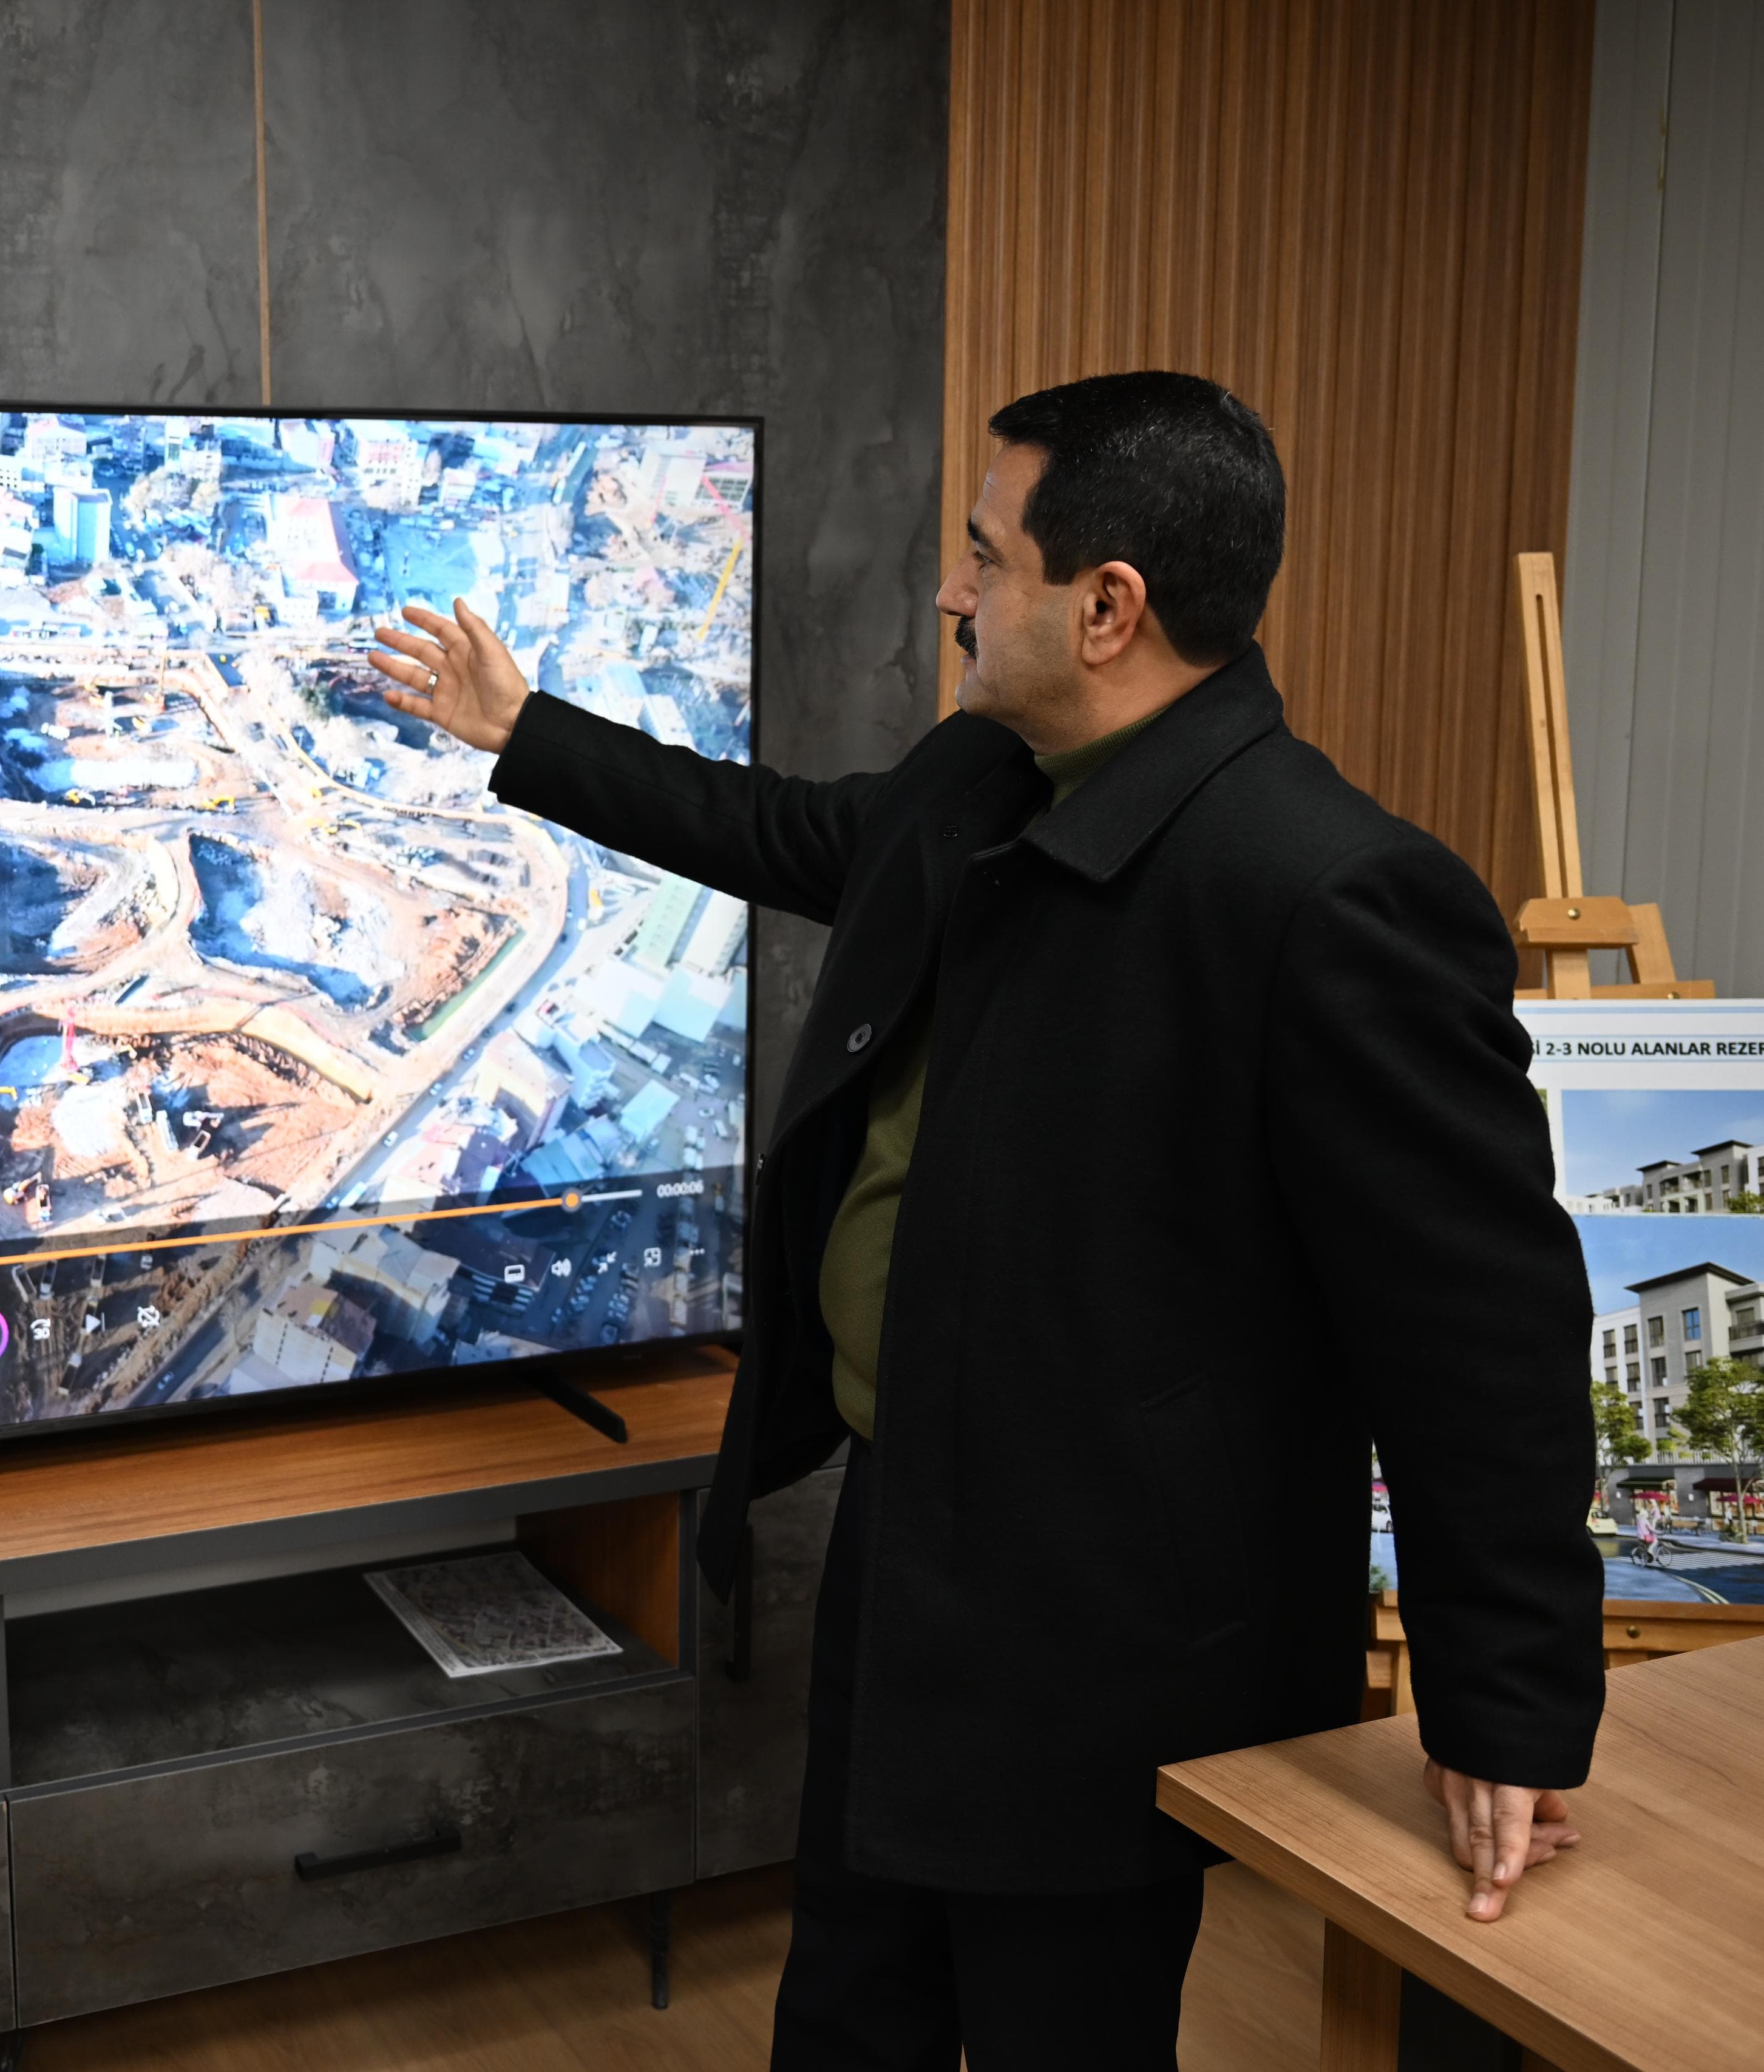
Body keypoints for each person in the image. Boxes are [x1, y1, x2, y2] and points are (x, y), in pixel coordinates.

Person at [368, 372, 1604, 2069]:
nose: (951, 591)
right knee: (849, 2008)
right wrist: (529, 734)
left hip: (1112, 1625)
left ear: (1109, 608)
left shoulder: (1330, 893)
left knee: (1054, 2032)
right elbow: (791, 831)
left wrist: (1508, 1703)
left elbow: (1483, 1339)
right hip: (906, 1541)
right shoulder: (985, 778)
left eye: (985, 553)